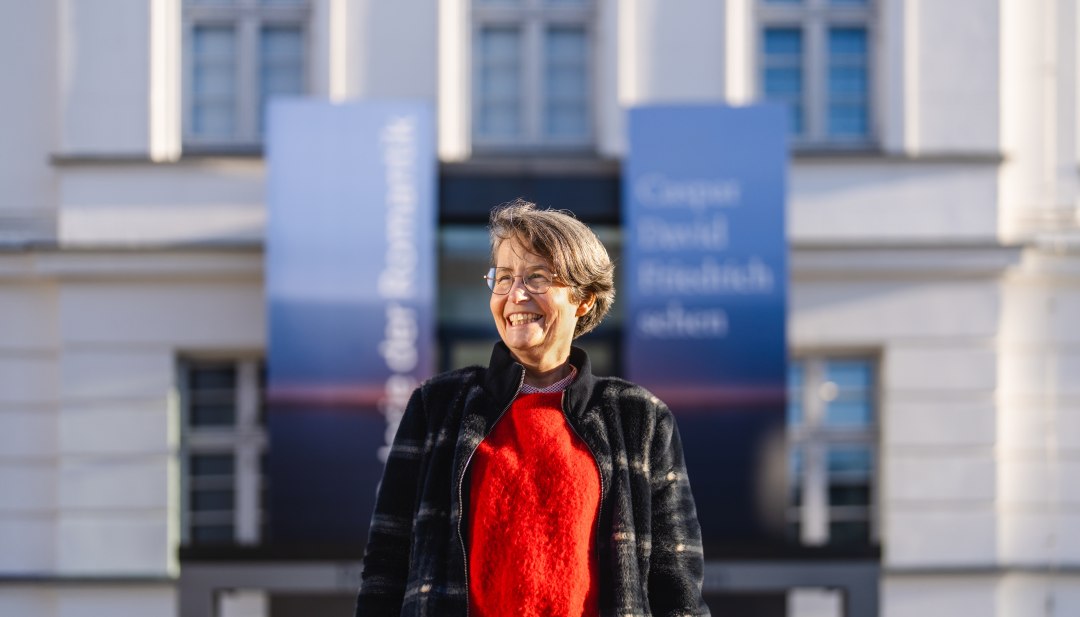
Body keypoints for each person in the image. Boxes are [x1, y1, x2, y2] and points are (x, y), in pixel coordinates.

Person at [355, 199, 710, 617]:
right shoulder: (437, 407)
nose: (515, 295)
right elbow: (386, 567)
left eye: (537, 277)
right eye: (503, 278)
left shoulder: (641, 419)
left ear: (584, 299)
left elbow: (677, 589)